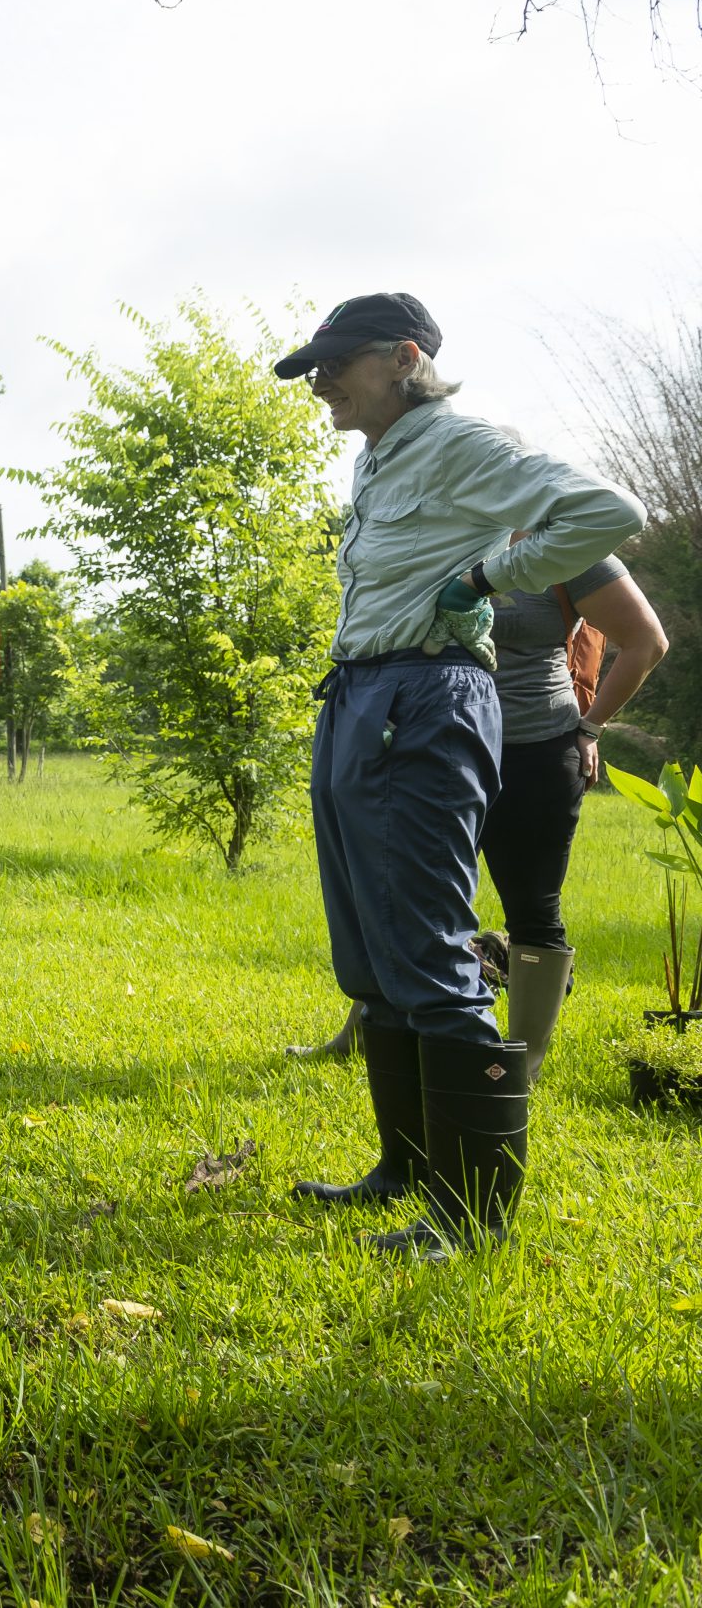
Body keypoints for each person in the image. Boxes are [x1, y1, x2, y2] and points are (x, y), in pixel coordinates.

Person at [279, 293, 644, 1260]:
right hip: (361, 694)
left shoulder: (457, 440)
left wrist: (485, 576)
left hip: (424, 702)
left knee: (433, 950)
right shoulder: (379, 457)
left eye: (337, 362)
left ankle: (471, 1218)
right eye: (312, 366)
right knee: (374, 951)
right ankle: (404, 1170)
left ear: (404, 357)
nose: (319, 381)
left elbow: (607, 511)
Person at [289, 551, 667, 1080]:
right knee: (399, 894)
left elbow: (647, 642)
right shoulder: (447, 536)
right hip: (437, 745)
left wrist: (590, 727)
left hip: (533, 747)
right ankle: (368, 1034)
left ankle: (520, 1065)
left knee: (533, 908)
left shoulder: (565, 544)